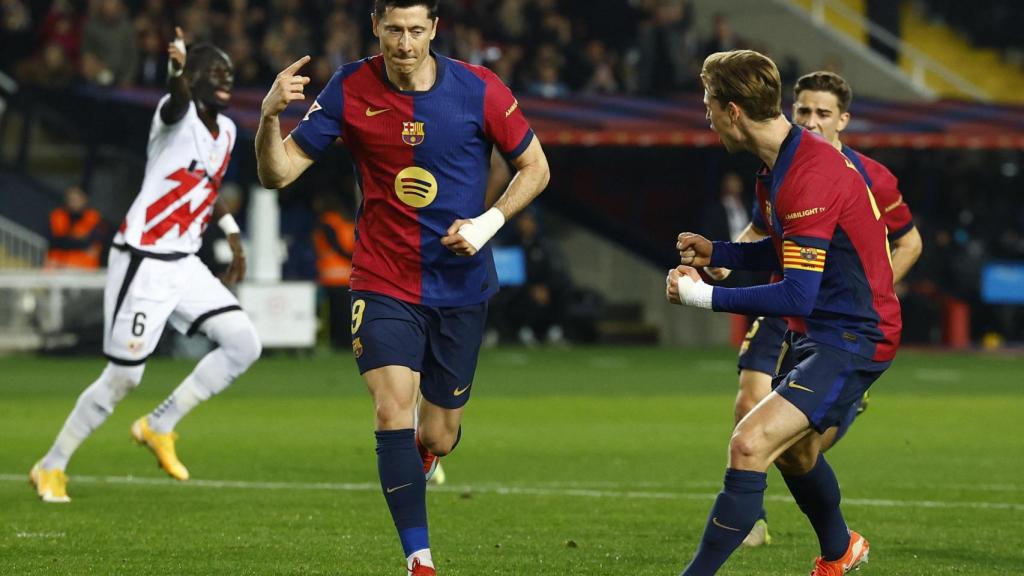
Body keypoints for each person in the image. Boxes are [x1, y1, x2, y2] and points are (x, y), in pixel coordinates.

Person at [254, 2, 550, 574]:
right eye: (394, 30)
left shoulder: (479, 89)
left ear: (435, 29)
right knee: (392, 408)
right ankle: (420, 560)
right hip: (382, 276)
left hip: (460, 285)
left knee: (437, 435)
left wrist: (487, 224)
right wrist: (269, 118)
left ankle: (424, 454)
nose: (405, 43)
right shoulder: (350, 87)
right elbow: (278, 172)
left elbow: (536, 167)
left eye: (416, 30)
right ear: (375, 28)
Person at [667, 50, 901, 575]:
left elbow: (796, 294)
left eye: (708, 104)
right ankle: (841, 551)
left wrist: (702, 297)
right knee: (796, 454)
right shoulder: (781, 165)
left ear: (732, 111)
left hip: (855, 333)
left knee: (749, 444)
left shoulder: (807, 174)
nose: (706, 116)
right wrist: (718, 252)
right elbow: (785, 251)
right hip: (819, 329)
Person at [31, 27, 261, 503]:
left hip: (184, 262)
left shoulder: (227, 131)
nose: (224, 78)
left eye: (228, 72)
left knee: (243, 343)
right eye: (212, 71)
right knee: (124, 377)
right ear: (192, 77)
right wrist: (176, 68)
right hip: (144, 260)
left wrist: (233, 235)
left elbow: (206, 187)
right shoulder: (174, 115)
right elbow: (177, 98)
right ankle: (51, 465)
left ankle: (160, 424)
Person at [705, 70, 923, 547]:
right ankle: (752, 517)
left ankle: (832, 537)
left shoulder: (871, 176)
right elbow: (767, 229)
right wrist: (724, 256)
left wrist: (868, 295)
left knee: (798, 445)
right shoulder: (779, 164)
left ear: (843, 120)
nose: (811, 120)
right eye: (803, 109)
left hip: (833, 318)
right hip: (783, 299)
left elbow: (909, 242)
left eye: (823, 113)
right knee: (748, 403)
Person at [46, 185, 104, 270]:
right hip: (57, 267)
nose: (73, 202)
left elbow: (92, 242)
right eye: (71, 199)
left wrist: (67, 241)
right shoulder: (58, 216)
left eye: (77, 199)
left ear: (85, 199)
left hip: (84, 269)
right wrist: (81, 243)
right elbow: (55, 241)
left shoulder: (94, 218)